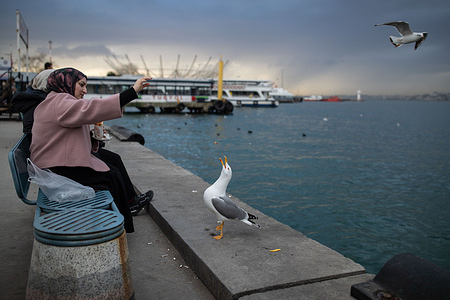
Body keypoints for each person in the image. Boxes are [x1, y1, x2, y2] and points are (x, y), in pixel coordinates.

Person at [30, 67, 152, 232]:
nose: (85, 90)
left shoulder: (54, 100)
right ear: (67, 82)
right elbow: (92, 109)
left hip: (53, 161)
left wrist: (93, 138)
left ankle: (126, 212)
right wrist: (132, 91)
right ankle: (120, 226)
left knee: (112, 165)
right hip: (56, 167)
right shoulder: (60, 102)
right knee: (111, 176)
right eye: (81, 85)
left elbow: (67, 131)